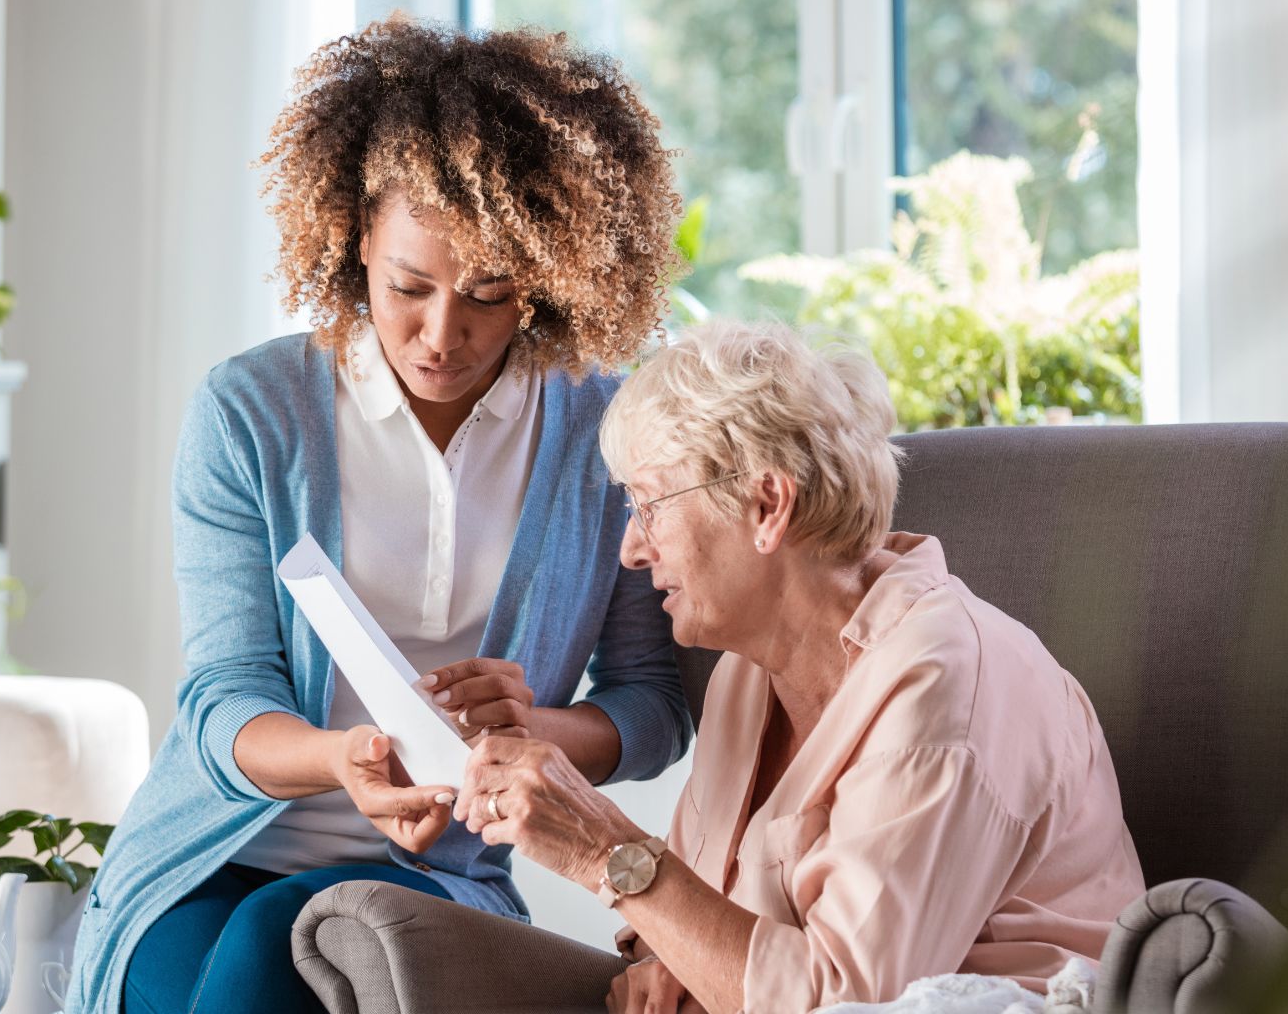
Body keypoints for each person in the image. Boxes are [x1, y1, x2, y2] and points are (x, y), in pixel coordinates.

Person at [67, 16, 697, 1014]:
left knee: (283, 947)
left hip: (434, 871)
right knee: (210, 965)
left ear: (544, 279)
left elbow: (653, 708)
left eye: (488, 295)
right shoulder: (249, 414)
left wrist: (531, 729)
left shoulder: (602, 435)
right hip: (211, 854)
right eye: (409, 286)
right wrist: (341, 762)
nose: (441, 334)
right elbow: (222, 696)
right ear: (357, 237)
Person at [456, 321, 1146, 1012]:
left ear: (767, 505)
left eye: (651, 507)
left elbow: (848, 1004)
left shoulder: (946, 685)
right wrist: (668, 958)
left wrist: (601, 847)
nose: (632, 550)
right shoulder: (748, 672)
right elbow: (696, 906)